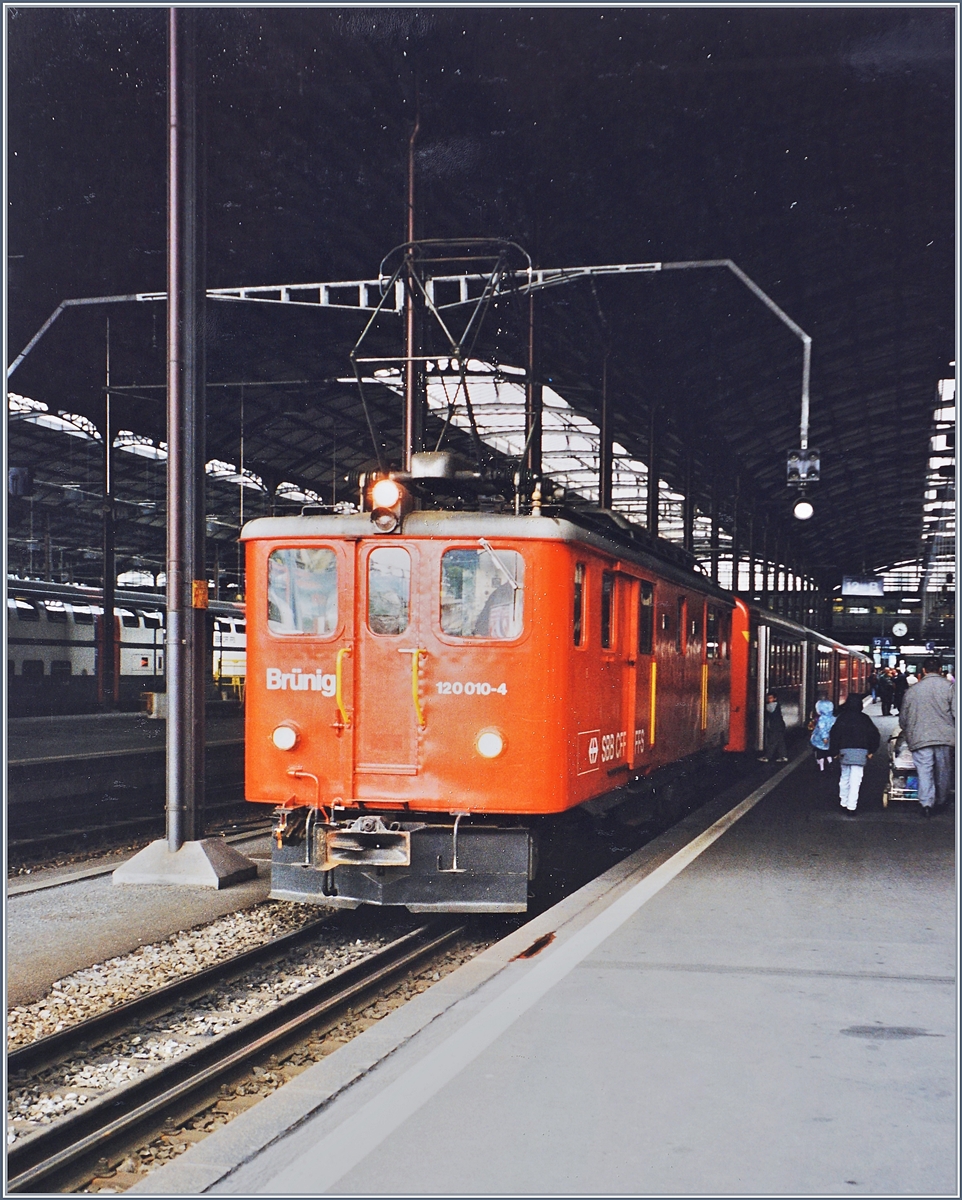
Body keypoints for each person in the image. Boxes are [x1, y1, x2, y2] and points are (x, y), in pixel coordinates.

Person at [897, 656, 955, 817]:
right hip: (945, 737)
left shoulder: (912, 690)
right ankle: (942, 801)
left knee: (924, 770)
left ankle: (926, 804)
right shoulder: (950, 688)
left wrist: (907, 731)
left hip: (920, 737)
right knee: (944, 770)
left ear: (923, 671)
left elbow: (904, 718)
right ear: (940, 670)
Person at [828, 694, 880, 812]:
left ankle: (843, 802)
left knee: (845, 777)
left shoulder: (842, 718)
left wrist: (834, 751)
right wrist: (871, 750)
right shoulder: (865, 719)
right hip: (861, 752)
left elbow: (835, 735)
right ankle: (852, 806)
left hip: (844, 751)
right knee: (856, 779)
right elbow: (874, 735)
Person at [759, 693, 788, 762]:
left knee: (772, 742)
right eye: (768, 698)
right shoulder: (776, 705)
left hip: (775, 727)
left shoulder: (772, 705)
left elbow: (768, 709)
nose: (769, 699)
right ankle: (783, 756)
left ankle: (767, 757)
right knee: (780, 741)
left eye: (771, 698)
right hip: (780, 726)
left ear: (775, 699)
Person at [809, 699, 837, 771]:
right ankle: (830, 762)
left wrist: (824, 737)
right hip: (831, 739)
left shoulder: (822, 719)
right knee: (828, 752)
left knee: (820, 753)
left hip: (820, 740)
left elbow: (822, 729)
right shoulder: (833, 718)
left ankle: (821, 767)